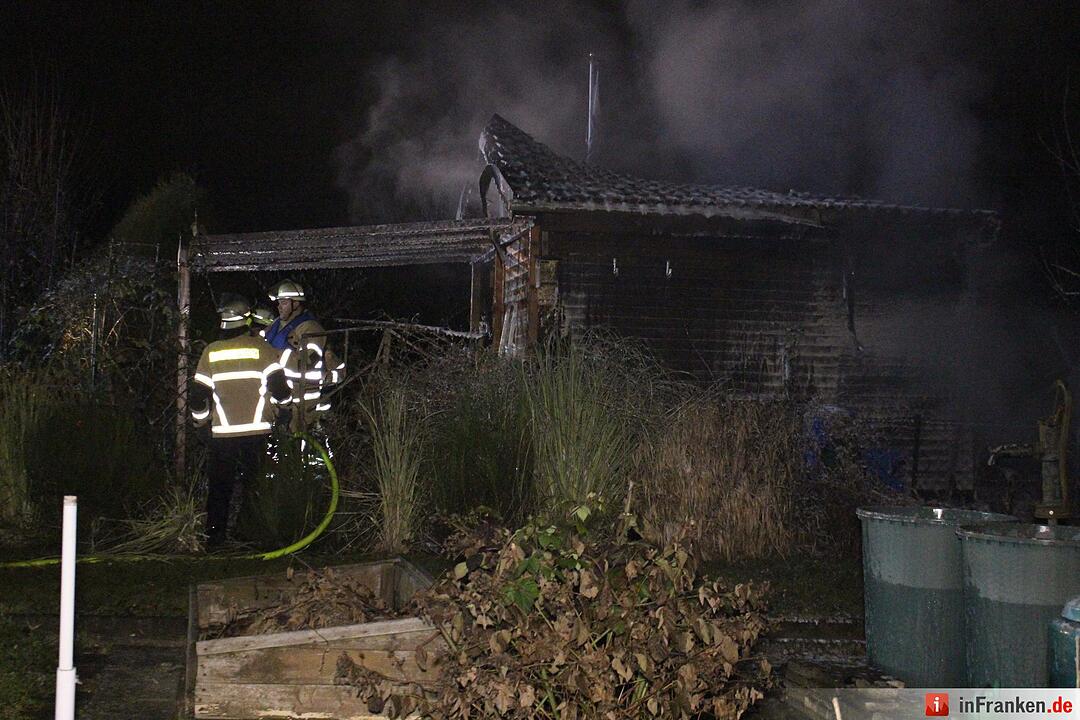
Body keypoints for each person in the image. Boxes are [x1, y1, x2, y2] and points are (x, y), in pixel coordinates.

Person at [190, 297, 291, 547]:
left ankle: (214, 538)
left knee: (220, 489)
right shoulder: (264, 350)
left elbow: (197, 398)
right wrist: (285, 411)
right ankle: (252, 536)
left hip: (222, 436)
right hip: (257, 434)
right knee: (254, 487)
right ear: (248, 321)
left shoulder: (210, 352)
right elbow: (281, 390)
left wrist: (201, 426)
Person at [264, 279, 344, 428]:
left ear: (296, 304)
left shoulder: (311, 329)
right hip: (278, 394)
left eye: (284, 303)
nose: (279, 307)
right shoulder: (276, 324)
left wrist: (269, 357)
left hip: (302, 399)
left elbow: (306, 364)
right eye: (279, 303)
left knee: (300, 442)